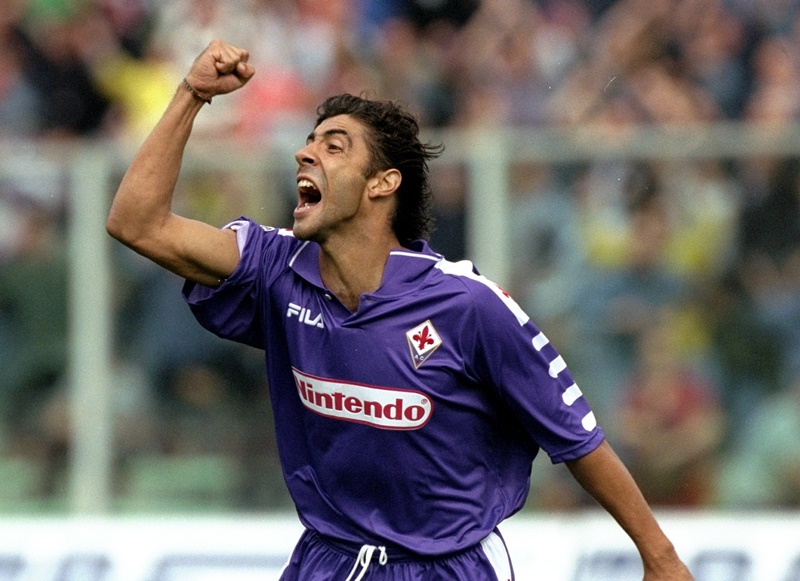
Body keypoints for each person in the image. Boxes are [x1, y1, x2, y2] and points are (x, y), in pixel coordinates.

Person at [107, 39, 693, 581]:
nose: (304, 153)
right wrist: (192, 94)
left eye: (333, 146)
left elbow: (578, 439)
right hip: (328, 559)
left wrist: (660, 558)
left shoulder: (468, 305)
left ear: (382, 183)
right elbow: (136, 223)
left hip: (445, 566)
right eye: (309, 142)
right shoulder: (275, 267)